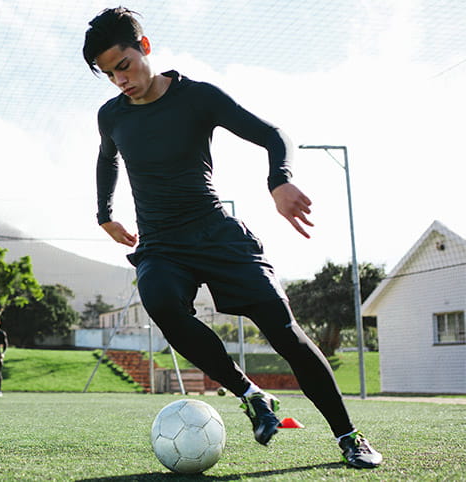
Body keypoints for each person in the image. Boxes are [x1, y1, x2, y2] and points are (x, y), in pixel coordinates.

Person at [82, 7, 382, 469]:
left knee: (286, 334)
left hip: (216, 233)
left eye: (123, 66)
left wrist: (278, 180)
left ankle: (350, 437)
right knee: (159, 299)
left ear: (144, 47)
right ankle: (250, 394)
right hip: (161, 244)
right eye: (108, 74)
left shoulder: (197, 97)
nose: (119, 80)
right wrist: (105, 214)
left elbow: (273, 134)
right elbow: (107, 160)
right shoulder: (112, 116)